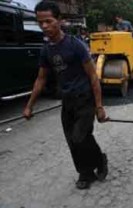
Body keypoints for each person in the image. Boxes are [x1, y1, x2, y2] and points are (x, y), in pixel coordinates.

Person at [23, 1, 109, 190]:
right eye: (40, 22)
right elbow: (41, 78)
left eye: (48, 21)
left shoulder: (75, 46)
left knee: (80, 137)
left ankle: (100, 161)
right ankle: (85, 173)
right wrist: (29, 105)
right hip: (67, 101)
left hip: (85, 99)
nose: (44, 26)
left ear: (59, 20)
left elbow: (93, 76)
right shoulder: (46, 50)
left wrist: (99, 107)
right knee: (73, 140)